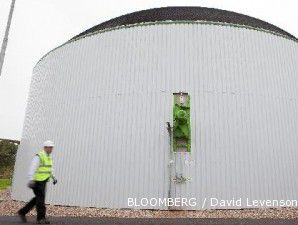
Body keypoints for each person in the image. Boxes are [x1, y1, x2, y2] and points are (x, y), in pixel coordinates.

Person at [17, 140, 58, 224]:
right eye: (49, 147)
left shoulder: (49, 156)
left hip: (44, 180)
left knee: (37, 199)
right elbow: (32, 167)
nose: (51, 149)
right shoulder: (39, 156)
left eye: (52, 147)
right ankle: (40, 218)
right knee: (40, 199)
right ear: (45, 147)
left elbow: (50, 168)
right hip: (37, 181)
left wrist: (54, 178)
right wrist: (31, 179)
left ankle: (22, 212)